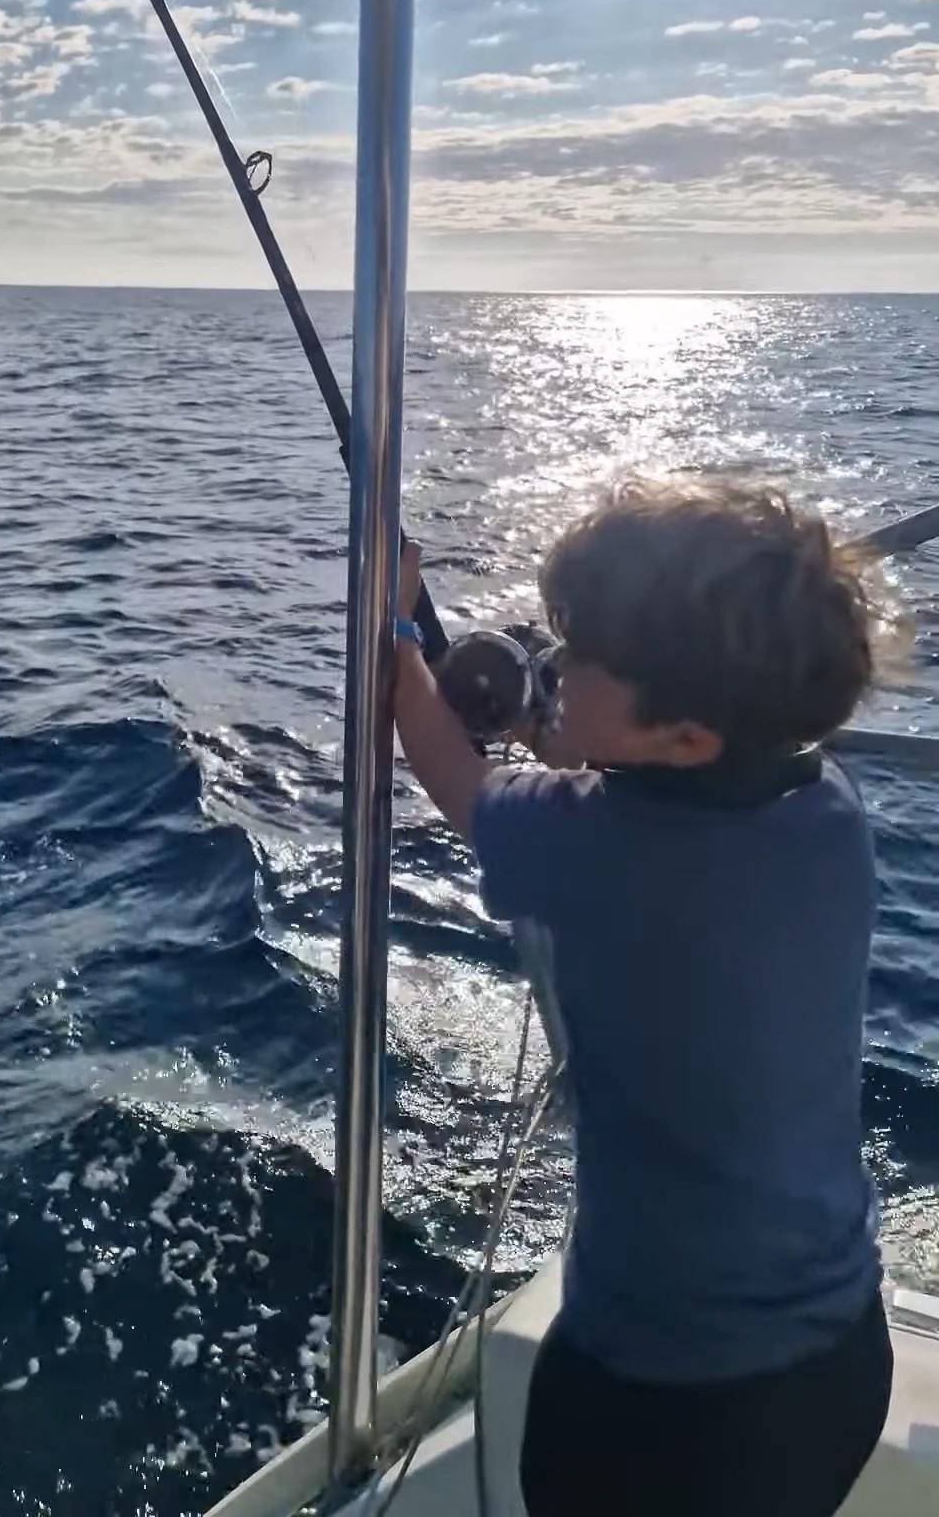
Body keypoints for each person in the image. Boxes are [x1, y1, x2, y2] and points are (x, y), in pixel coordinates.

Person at [392, 478, 896, 1517]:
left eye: (584, 658)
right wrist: (587, 734)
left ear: (689, 737)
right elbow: (655, 787)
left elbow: (450, 768)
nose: (558, 667)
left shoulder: (594, 842)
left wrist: (394, 621)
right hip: (840, 1357)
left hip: (660, 1399)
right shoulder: (827, 808)